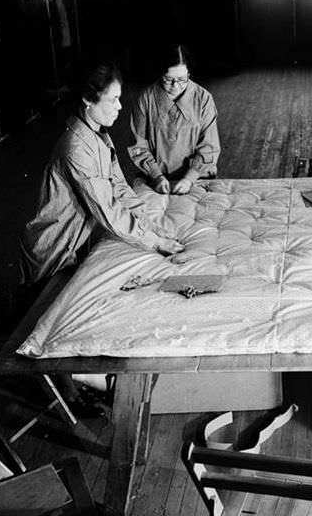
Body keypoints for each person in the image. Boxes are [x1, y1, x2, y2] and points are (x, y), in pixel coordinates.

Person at [19, 58, 184, 416]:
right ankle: (82, 383)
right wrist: (154, 243)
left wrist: (153, 227)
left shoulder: (97, 133)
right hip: (56, 247)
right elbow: (107, 211)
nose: (120, 107)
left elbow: (120, 189)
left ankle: (88, 380)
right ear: (88, 102)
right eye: (113, 100)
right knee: (63, 320)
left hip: (81, 240)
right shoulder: (76, 146)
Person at [128, 44, 220, 195]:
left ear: (189, 74)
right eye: (168, 79)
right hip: (155, 179)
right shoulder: (146, 99)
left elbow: (209, 147)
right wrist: (156, 176)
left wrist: (189, 179)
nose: (175, 85)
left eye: (182, 79)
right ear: (160, 74)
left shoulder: (204, 99)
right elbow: (138, 146)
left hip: (197, 177)